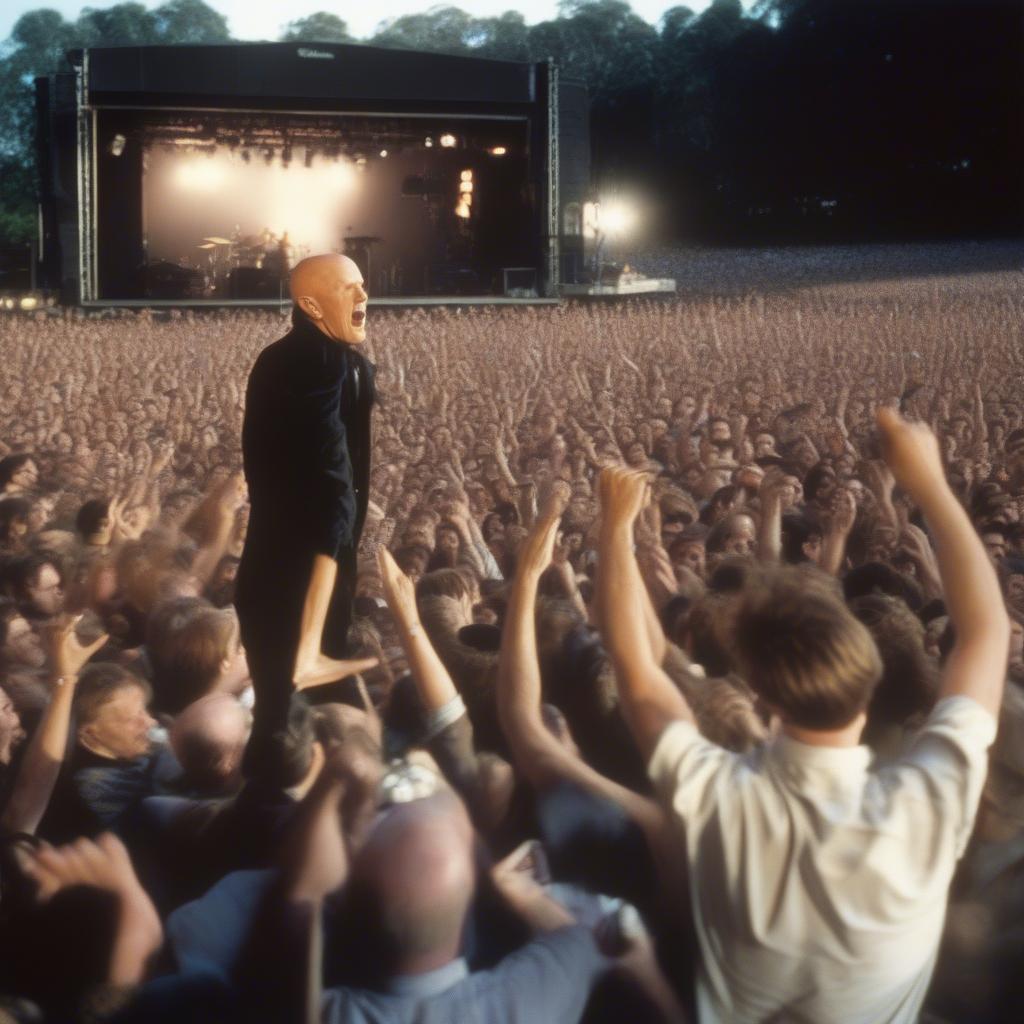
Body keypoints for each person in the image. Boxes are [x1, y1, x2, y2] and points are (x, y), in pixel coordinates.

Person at [596, 406, 1009, 1023]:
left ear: (762, 692)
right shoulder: (931, 800)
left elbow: (633, 666)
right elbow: (986, 630)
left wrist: (616, 526)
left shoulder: (711, 794)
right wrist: (927, 482)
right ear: (869, 677)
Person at [235, 254, 379, 777]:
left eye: (363, 286)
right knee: (297, 736)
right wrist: (315, 638)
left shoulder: (299, 358)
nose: (364, 299)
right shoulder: (321, 363)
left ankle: (261, 819)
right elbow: (330, 491)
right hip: (298, 584)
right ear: (310, 304)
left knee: (281, 729)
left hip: (279, 573)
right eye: (349, 289)